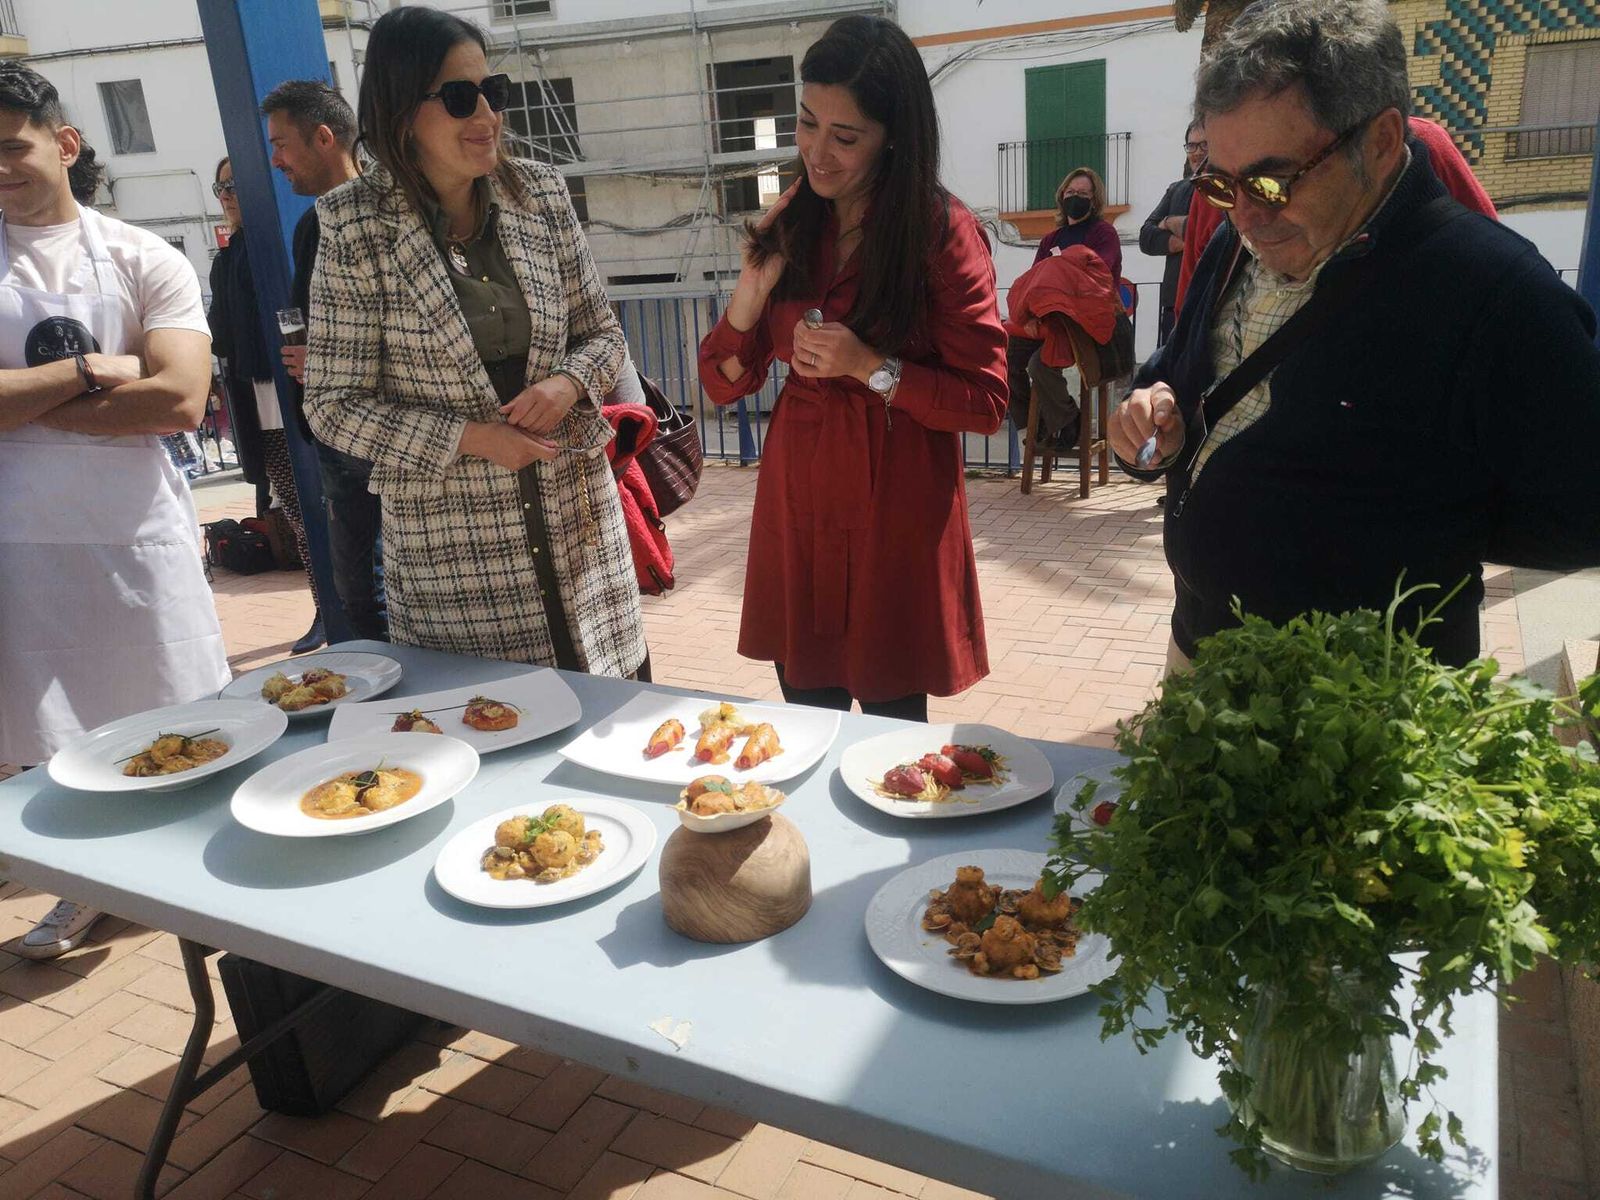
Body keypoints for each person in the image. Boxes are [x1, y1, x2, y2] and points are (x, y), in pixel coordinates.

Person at [1108, 0, 1600, 673]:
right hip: (1200, 651)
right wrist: (1149, 409)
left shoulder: (1496, 291)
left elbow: (1583, 511)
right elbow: (1183, 369)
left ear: (1380, 139)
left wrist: (1424, 517)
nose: (1246, 212)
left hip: (1361, 710)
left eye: (1272, 179)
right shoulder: (1232, 242)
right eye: (1220, 182)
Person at [305, 6, 645, 677]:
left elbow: (604, 334)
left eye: (496, 92)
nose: (487, 115)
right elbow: (333, 405)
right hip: (453, 565)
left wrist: (568, 382)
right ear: (402, 111)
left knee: (615, 731)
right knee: (490, 740)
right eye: (461, 99)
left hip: (580, 535)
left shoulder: (539, 194)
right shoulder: (355, 225)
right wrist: (471, 438)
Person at [697, 15, 1008, 720]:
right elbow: (720, 384)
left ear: (894, 135)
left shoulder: (940, 232)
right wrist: (750, 292)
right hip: (799, 501)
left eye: (846, 137)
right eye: (806, 125)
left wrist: (871, 366)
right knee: (805, 718)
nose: (818, 154)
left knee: (894, 738)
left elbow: (986, 401)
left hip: (894, 505)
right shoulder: (794, 221)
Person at [0, 62, 229, 958]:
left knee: (184, 717)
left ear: (64, 142)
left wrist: (24, 399)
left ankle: (201, 879)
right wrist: (94, 369)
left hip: (140, 540)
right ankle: (82, 886)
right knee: (50, 746)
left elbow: (178, 397)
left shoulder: (145, 257)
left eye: (13, 147)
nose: (1, 167)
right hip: (20, 545)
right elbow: (142, 381)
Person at [262, 79, 387, 642]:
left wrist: (332, 359)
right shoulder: (315, 223)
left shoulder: (388, 215)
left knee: (372, 596)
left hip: (382, 434)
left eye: (282, 144)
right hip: (337, 435)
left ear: (323, 137)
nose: (276, 160)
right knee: (359, 593)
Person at [1173, 113, 1496, 317]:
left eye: (1272, 184)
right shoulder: (1218, 178)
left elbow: (1486, 262)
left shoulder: (1417, 146)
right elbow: (1192, 302)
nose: (1245, 216)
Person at [208, 156, 326, 653]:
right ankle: (326, 606)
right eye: (221, 188)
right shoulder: (228, 257)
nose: (228, 195)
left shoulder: (280, 244)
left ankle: (342, 606)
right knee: (299, 511)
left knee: (332, 509)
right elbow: (222, 334)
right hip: (260, 400)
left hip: (301, 392)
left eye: (235, 185)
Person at [1139, 121, 1206, 346]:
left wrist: (1167, 222)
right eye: (1191, 146)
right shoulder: (1176, 189)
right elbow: (1146, 237)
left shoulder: (1226, 189)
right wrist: (1189, 239)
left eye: (1204, 145)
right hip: (1173, 304)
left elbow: (1211, 231)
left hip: (1209, 301)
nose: (1197, 153)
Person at [1034, 166, 1122, 280]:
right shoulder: (1049, 240)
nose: (1075, 197)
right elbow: (1034, 278)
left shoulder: (1104, 233)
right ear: (1062, 196)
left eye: (1083, 193)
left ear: (1094, 201)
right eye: (1070, 192)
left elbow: (1098, 273)